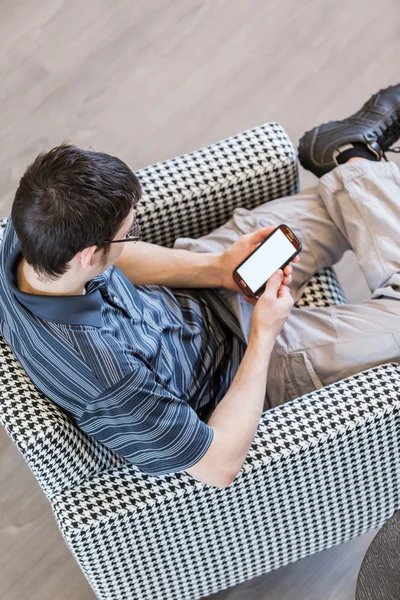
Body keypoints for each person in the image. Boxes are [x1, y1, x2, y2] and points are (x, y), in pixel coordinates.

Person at [1, 84, 399, 488]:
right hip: (243, 363)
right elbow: (218, 465)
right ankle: (349, 156)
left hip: (196, 292)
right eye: (130, 230)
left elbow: (124, 261)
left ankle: (348, 156)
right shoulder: (107, 380)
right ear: (89, 255)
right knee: (360, 196)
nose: (135, 234)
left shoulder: (29, 229)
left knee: (339, 202)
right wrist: (264, 333)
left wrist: (218, 268)